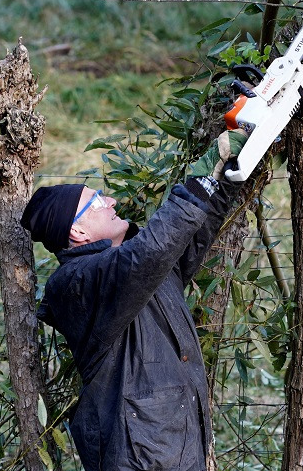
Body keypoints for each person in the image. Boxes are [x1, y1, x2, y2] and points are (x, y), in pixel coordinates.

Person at [21, 130, 247, 471]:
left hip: (176, 448)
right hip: (140, 459)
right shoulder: (76, 284)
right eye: (96, 200)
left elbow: (190, 231)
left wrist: (234, 165)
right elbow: (148, 254)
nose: (110, 201)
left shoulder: (138, 268)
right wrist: (204, 170)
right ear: (77, 233)